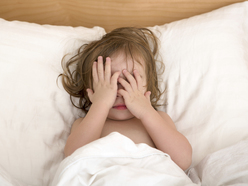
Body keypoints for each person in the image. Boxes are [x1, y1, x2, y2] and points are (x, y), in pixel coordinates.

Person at [59, 27, 192, 171]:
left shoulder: (158, 119)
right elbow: (73, 158)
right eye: (109, 82)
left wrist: (146, 112)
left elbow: (183, 160)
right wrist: (101, 104)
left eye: (130, 80)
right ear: (90, 90)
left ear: (149, 86)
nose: (120, 92)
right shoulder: (85, 124)